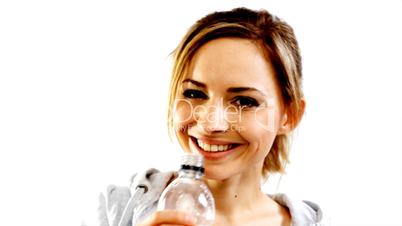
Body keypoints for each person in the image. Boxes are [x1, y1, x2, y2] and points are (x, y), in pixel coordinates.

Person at [88, 7, 323, 226]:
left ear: (289, 116)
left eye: (244, 101)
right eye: (194, 93)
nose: (211, 123)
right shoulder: (118, 210)